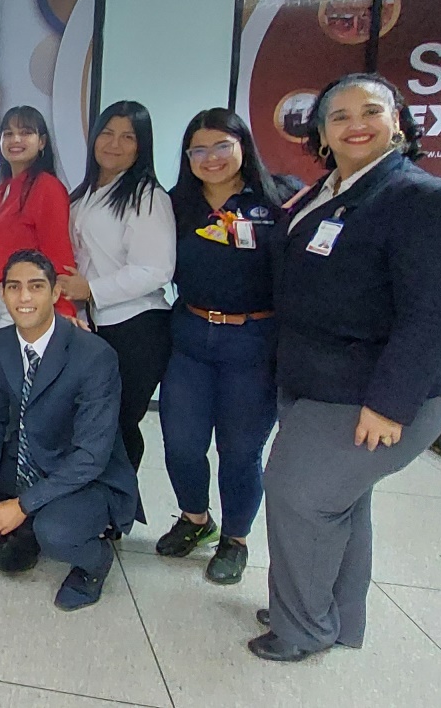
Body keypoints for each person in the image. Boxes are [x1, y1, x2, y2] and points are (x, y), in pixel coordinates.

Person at [250, 74, 441, 662]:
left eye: (370, 111)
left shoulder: (424, 199)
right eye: (339, 115)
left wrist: (389, 404)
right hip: (315, 380)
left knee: (301, 497)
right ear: (322, 134)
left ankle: (301, 629)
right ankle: (334, 615)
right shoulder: (329, 192)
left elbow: (436, 316)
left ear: (396, 121)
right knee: (338, 502)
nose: (356, 123)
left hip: (368, 393)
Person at [0, 250, 140, 611]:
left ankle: (96, 560)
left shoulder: (94, 355)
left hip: (86, 477)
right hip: (27, 458)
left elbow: (91, 457)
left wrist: (22, 505)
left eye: (36, 287)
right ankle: (26, 531)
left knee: (56, 531)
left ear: (56, 293)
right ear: (2, 294)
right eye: (14, 287)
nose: (24, 297)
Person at [156, 108, 291, 585]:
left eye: (221, 147)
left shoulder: (279, 200)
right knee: (182, 444)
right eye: (199, 149)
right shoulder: (175, 205)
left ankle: (236, 539)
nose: (210, 158)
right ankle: (195, 519)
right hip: (191, 337)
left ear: (243, 148)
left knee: (239, 450)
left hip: (253, 342)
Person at [61, 100, 175, 470]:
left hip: (137, 327)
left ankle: (115, 512)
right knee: (93, 422)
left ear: (142, 145)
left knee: (120, 425)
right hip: (95, 325)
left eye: (128, 137)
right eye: (107, 133)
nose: (115, 143)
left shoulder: (147, 196)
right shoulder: (85, 193)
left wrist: (91, 291)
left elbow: (156, 269)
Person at [0, 105, 77, 327]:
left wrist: (62, 311)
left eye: (25, 133)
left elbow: (57, 253)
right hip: (2, 302)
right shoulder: (4, 190)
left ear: (42, 142)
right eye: (9, 134)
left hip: (32, 306)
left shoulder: (47, 188)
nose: (16, 140)